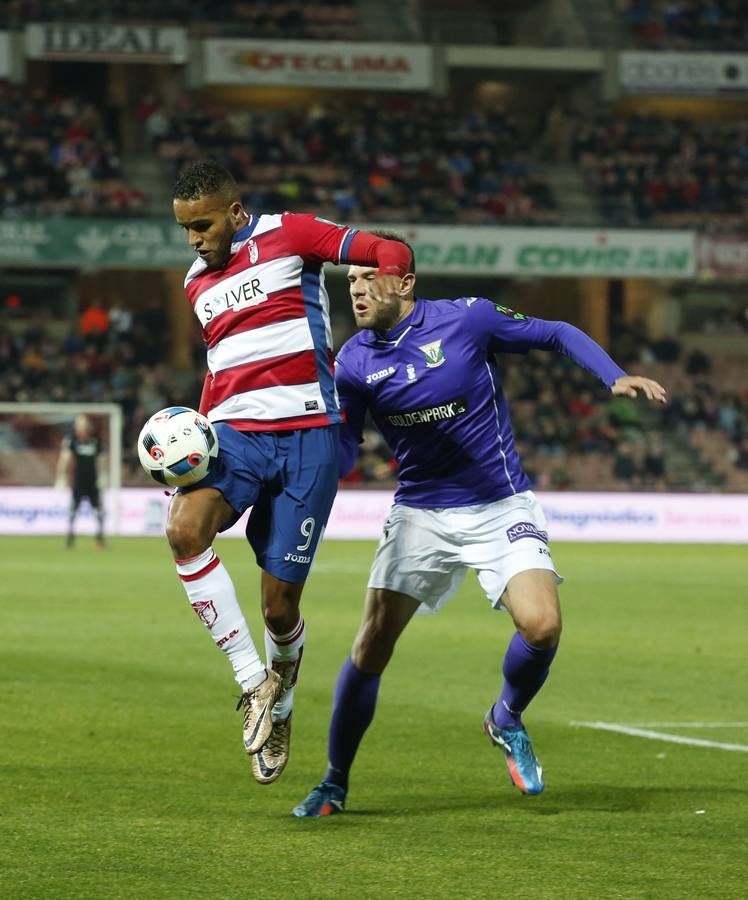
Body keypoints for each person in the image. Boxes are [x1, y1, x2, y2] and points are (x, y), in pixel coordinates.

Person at [293, 232, 667, 816]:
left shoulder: (469, 320)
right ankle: (334, 782)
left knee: (541, 626)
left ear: (405, 282)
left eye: (369, 278)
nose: (358, 290)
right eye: (351, 282)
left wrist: (611, 375)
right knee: (370, 646)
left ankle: (506, 716)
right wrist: (314, 442)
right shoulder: (352, 363)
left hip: (500, 503)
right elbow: (344, 455)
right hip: (419, 511)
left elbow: (556, 332)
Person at [166, 160, 413, 786]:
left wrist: (386, 278)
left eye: (203, 225)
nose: (195, 240)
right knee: (185, 528)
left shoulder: (294, 234)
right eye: (185, 229)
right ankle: (255, 684)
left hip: (307, 435)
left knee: (280, 607)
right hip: (236, 435)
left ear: (235, 212)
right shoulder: (196, 282)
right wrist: (190, 443)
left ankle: (282, 701)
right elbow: (224, 366)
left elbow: (390, 247)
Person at [55, 413, 105, 548]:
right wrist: (61, 477)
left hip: (93, 481)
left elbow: (100, 460)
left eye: (83, 423)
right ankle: (70, 540)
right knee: (73, 511)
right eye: (79, 423)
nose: (81, 426)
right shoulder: (72, 439)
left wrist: (103, 476)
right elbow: (64, 458)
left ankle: (99, 539)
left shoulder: (95, 439)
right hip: (78, 481)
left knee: (99, 511)